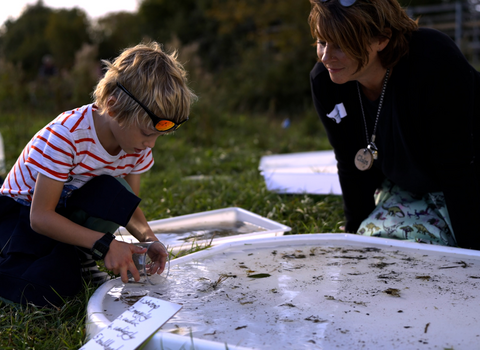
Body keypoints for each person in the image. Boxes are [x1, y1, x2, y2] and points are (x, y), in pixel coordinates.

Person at [0, 42, 197, 307]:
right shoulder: (67, 136)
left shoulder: (134, 145)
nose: (151, 145)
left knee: (113, 192)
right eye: (148, 134)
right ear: (113, 108)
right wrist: (106, 244)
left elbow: (124, 205)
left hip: (66, 212)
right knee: (48, 290)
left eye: (158, 136)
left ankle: (78, 255)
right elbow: (40, 217)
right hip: (21, 216)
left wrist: (149, 240)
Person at [309, 0, 480, 249]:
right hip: (413, 187)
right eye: (321, 42)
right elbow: (350, 161)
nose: (326, 56)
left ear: (382, 38)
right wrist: (354, 232)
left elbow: (459, 167)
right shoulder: (326, 82)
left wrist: (472, 256)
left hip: (469, 177)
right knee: (379, 244)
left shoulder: (433, 62)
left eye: (341, 44)